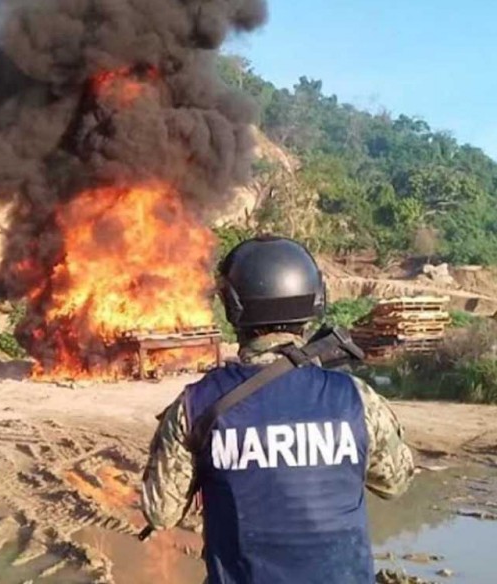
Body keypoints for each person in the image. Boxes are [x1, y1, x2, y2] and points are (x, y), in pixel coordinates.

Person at [141, 236, 415, 584]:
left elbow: (160, 512)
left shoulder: (196, 406)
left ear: (233, 307)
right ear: (315, 299)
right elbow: (396, 482)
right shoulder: (357, 399)